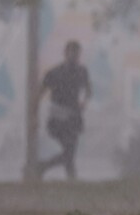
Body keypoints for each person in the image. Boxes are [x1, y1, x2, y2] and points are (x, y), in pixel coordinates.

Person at [28, 40, 92, 181]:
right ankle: (45, 168)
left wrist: (84, 102)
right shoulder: (54, 73)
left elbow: (88, 90)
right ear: (65, 54)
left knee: (70, 151)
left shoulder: (82, 72)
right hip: (58, 118)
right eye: (71, 53)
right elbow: (39, 94)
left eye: (76, 54)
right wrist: (33, 116)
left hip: (74, 116)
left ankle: (62, 175)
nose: (74, 57)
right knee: (69, 151)